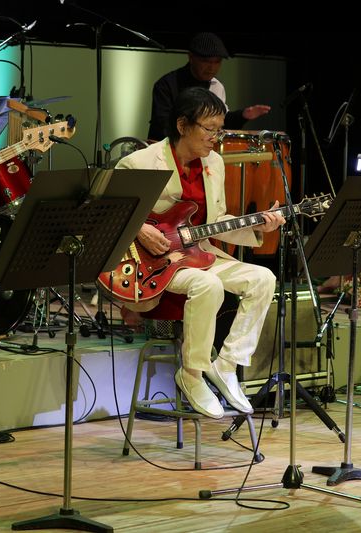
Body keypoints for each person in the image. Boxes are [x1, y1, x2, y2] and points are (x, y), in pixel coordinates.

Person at [117, 87, 285, 418]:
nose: (215, 138)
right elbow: (110, 212)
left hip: (197, 254)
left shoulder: (214, 163)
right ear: (183, 125)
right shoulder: (139, 162)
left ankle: (227, 364)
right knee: (207, 285)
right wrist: (140, 229)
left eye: (219, 130)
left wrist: (259, 226)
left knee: (263, 278)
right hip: (151, 266)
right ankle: (192, 374)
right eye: (209, 129)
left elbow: (215, 222)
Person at [147, 32, 271, 141]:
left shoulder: (217, 86)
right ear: (191, 57)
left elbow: (221, 121)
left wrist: (243, 115)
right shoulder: (166, 85)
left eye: (217, 62)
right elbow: (163, 127)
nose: (212, 67)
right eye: (206, 61)